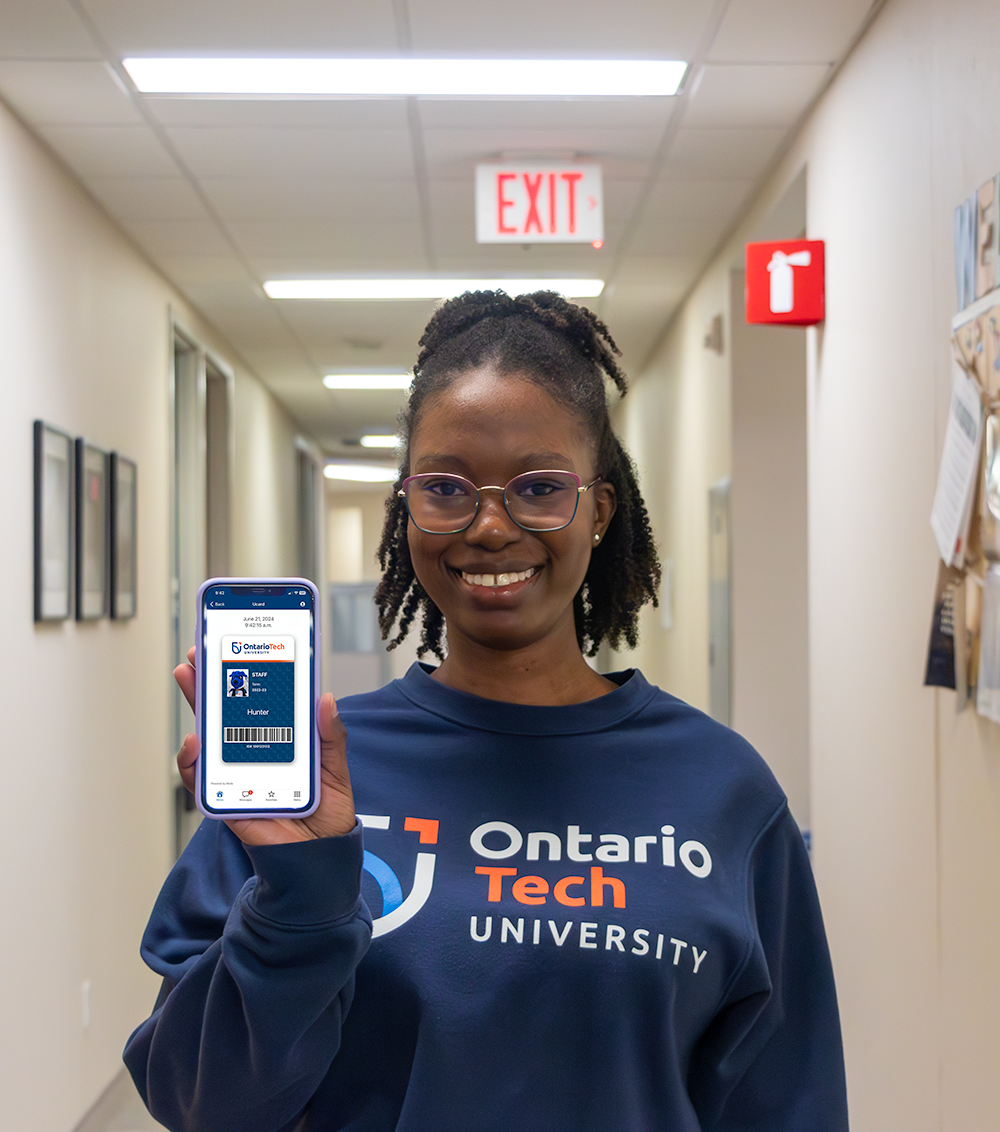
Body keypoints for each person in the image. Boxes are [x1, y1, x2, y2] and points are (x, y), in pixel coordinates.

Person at [124, 290, 849, 1132]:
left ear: (600, 511)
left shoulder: (723, 789)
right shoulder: (312, 788)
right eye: (447, 488)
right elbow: (199, 1104)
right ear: (408, 506)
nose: (491, 526)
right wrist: (300, 897)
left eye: (540, 487)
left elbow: (790, 1100)